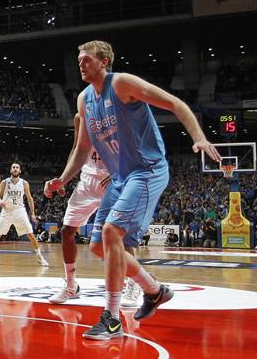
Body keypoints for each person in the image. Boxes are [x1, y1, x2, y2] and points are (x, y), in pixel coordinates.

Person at [45, 40, 220, 340]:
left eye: (86, 59)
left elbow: (176, 103)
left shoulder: (123, 83)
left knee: (112, 232)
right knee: (100, 246)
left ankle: (111, 318)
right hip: (119, 177)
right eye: (79, 60)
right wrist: (63, 179)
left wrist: (199, 137)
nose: (81, 64)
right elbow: (83, 147)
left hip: (147, 170)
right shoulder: (84, 98)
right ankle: (154, 290)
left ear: (103, 61)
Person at [45, 113, 142, 308]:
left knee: (121, 237)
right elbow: (76, 149)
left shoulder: (122, 115)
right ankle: (71, 285)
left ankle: (134, 284)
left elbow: (136, 151)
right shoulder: (80, 117)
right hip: (87, 181)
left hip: (114, 182)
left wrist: (119, 173)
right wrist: (64, 179)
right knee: (67, 231)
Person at [0, 163, 49, 266]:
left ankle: (40, 257)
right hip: (7, 211)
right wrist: (0, 201)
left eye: (17, 168)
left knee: (31, 234)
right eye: (13, 167)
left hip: (19, 210)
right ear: (11, 170)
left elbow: (29, 199)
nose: (15, 169)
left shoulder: (24, 183)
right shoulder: (4, 182)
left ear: (20, 171)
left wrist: (32, 213)